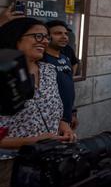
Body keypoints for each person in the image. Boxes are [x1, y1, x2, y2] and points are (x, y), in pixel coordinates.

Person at [0, 18, 73, 185]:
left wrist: (63, 125)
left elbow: (52, 108)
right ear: (16, 38)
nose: (45, 41)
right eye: (38, 36)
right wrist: (31, 141)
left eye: (46, 37)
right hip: (8, 166)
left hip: (47, 160)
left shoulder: (49, 70)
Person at [43, 20, 78, 132]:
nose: (64, 37)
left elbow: (68, 87)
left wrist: (72, 112)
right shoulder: (41, 60)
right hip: (50, 123)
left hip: (66, 120)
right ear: (47, 37)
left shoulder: (66, 58)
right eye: (58, 33)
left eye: (65, 34)